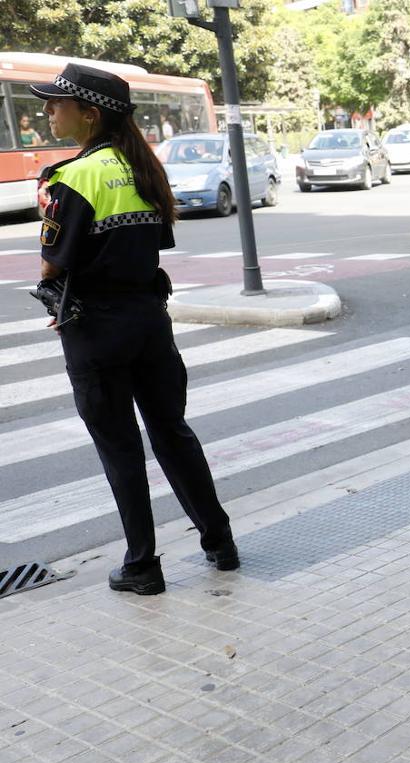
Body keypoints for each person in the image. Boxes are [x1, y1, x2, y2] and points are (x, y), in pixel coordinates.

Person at [31, 63, 238, 596]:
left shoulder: (75, 176)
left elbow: (54, 261)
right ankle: (220, 542)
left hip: (96, 329)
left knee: (120, 448)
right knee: (172, 433)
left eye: (57, 103)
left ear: (89, 113)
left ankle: (142, 566)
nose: (48, 111)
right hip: (150, 320)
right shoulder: (144, 169)